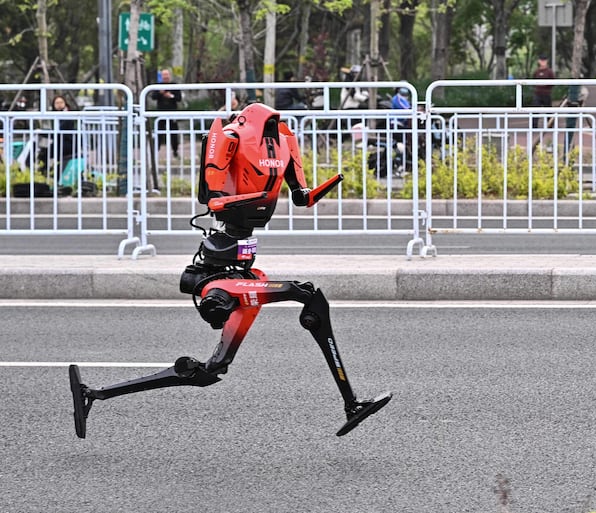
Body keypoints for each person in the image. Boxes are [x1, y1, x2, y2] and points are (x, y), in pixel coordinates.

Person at [68, 102, 392, 440]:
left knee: (211, 370)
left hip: (242, 270)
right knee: (307, 294)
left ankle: (95, 394)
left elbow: (302, 197)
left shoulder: (283, 140)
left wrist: (332, 181)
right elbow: (214, 199)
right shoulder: (231, 135)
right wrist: (241, 197)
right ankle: (352, 403)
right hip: (217, 280)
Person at [150, 69, 182, 158]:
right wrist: (161, 93)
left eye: (167, 75)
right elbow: (153, 96)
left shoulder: (174, 86)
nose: (165, 77)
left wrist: (171, 96)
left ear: (170, 76)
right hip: (161, 112)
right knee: (158, 132)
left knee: (174, 132)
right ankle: (156, 150)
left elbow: (179, 98)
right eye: (164, 75)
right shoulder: (158, 86)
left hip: (172, 112)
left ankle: (175, 151)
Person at [51, 95, 76, 179]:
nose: (59, 105)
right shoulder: (53, 115)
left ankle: (55, 175)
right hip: (59, 141)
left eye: (61, 102)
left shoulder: (68, 114)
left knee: (51, 149)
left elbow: (60, 129)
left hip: (68, 142)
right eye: (57, 103)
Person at [531, 54, 555, 129]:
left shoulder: (549, 72)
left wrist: (547, 88)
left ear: (547, 61)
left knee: (548, 110)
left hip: (546, 93)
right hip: (537, 93)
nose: (543, 62)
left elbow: (553, 81)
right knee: (535, 109)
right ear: (539, 61)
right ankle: (534, 126)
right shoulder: (536, 72)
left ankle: (550, 126)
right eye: (541, 60)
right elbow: (533, 81)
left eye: (544, 60)